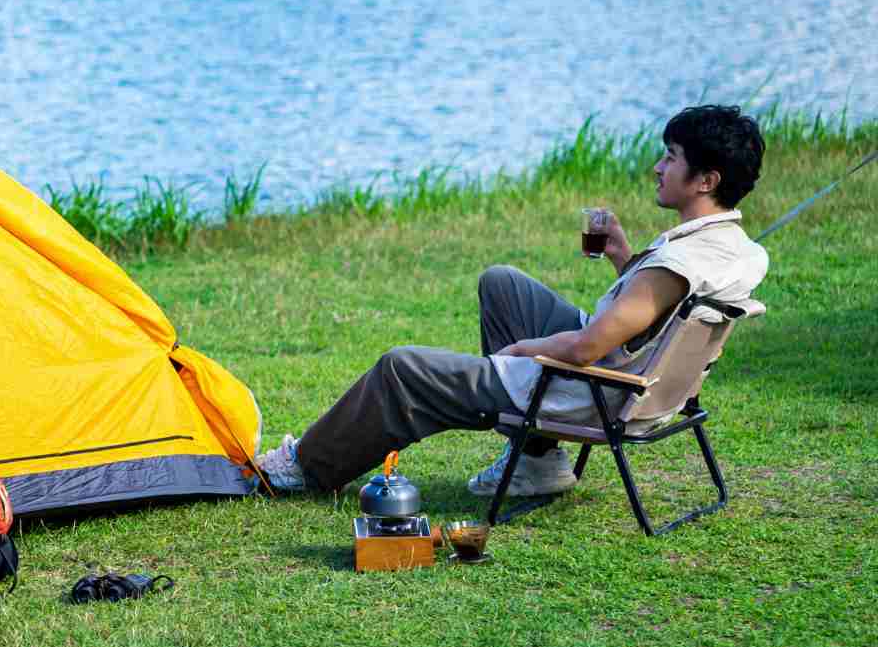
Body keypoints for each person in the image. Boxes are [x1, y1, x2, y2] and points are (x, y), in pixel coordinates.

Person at [256, 105, 769, 496]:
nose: (658, 167)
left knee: (402, 370)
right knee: (502, 283)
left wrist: (525, 349)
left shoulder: (677, 264)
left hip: (596, 390)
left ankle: (306, 466)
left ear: (706, 180)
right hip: (637, 377)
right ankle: (536, 459)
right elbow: (650, 316)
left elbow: (588, 348)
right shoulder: (732, 249)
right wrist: (623, 259)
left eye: (671, 158)